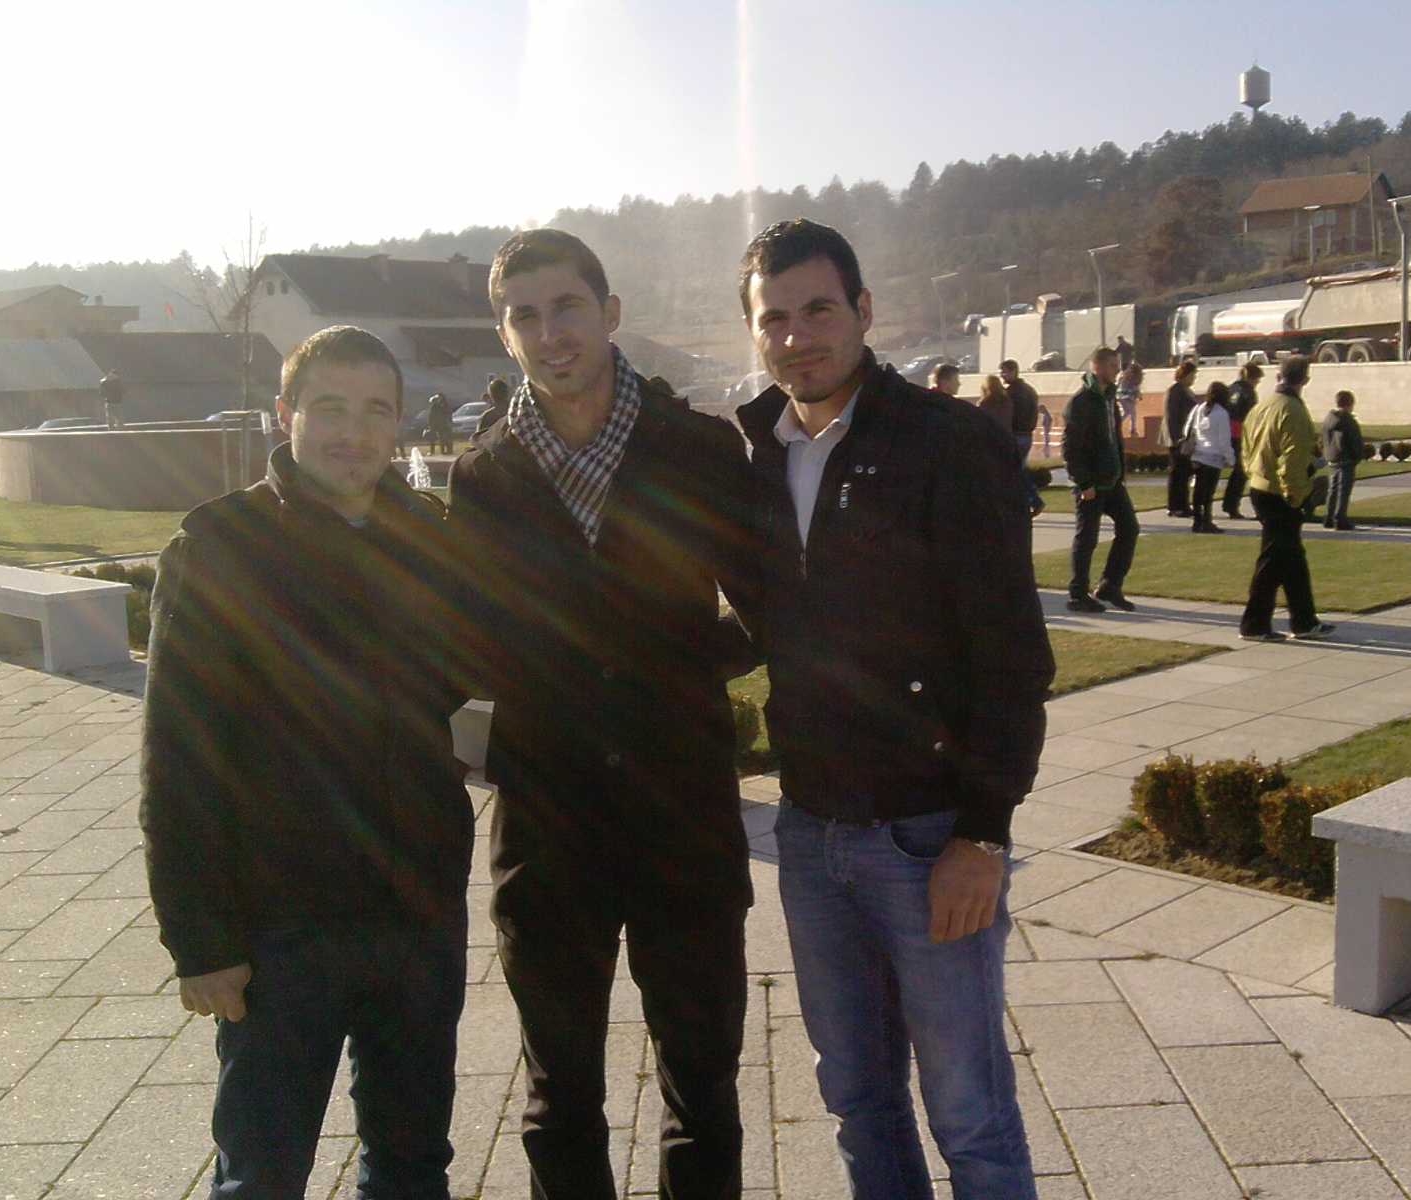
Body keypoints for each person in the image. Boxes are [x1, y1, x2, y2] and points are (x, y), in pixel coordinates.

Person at [734, 218, 1052, 1200]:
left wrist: (982, 835)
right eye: (774, 319)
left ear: (863, 310)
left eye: (817, 309)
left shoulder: (947, 443)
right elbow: (772, 619)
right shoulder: (757, 453)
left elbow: (1013, 656)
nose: (797, 337)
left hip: (927, 839)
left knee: (969, 1113)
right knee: (856, 1097)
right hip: (808, 833)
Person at [448, 229, 760, 1200]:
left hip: (684, 823)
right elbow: (472, 642)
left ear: (610, 312)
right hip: (549, 835)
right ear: (505, 336)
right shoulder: (484, 477)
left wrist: (683, 669)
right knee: (559, 1097)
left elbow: (772, 605)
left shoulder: (699, 450)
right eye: (525, 315)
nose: (550, 332)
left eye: (567, 306)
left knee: (701, 1089)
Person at [141, 326, 476, 1199]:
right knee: (262, 1173)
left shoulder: (431, 538)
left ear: (399, 424)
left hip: (417, 911)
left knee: (412, 1163)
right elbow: (176, 757)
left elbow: (450, 681)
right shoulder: (221, 546)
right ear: (284, 414)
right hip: (282, 924)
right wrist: (200, 940)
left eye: (375, 411)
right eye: (329, 407)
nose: (353, 432)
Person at [1238, 355, 1336, 642]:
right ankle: (1254, 624)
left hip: (1260, 485)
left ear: (1279, 376)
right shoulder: (1293, 411)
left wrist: (1255, 474)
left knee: (1292, 558)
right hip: (1280, 493)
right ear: (1305, 379)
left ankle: (1304, 620)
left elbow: (1246, 448)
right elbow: (1292, 462)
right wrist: (1296, 497)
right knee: (1274, 560)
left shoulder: (1262, 406)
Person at [1063, 346, 1141, 613]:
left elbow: (1114, 438)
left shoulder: (1109, 399)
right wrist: (1084, 483)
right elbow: (1070, 448)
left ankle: (1110, 585)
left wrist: (1120, 470)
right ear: (1098, 368)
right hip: (1091, 483)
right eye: (1112, 366)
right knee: (1087, 537)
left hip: (1112, 480)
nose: (1117, 371)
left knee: (1129, 528)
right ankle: (1078, 594)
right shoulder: (1081, 402)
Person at [1184, 381, 1234, 533]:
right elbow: (1224, 440)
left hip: (1198, 454)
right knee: (1208, 492)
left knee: (1198, 491)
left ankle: (1197, 521)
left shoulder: (1198, 409)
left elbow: (1187, 429)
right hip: (1214, 456)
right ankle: (1206, 521)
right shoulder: (1221, 413)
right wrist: (1230, 458)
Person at [1000, 359, 1045, 516]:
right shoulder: (1029, 390)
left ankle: (1033, 500)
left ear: (1014, 371)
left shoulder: (1011, 393)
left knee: (1015, 470)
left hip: (1017, 434)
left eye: (1005, 372)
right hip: (1027, 434)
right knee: (1018, 469)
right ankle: (1025, 500)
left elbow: (1009, 415)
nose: (1002, 375)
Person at [1222, 362, 1263, 519]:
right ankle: (1232, 505)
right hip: (1242, 435)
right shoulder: (1248, 392)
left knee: (1237, 471)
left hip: (1229, 433)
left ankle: (1229, 504)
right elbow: (1252, 416)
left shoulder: (1232, 389)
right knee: (1242, 472)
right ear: (1252, 378)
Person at [1320, 390, 1363, 530]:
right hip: (1346, 458)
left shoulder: (1328, 420)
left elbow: (1322, 440)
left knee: (1333, 489)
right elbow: (1355, 441)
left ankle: (1329, 517)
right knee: (1343, 491)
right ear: (1351, 404)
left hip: (1332, 457)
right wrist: (1357, 456)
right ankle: (1340, 519)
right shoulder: (1348, 421)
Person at [1162, 360, 1199, 518]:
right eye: (1192, 375)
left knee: (1185, 472)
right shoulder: (1175, 391)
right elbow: (1171, 416)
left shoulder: (1187, 391)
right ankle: (1174, 506)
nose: (1194, 378)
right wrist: (1177, 438)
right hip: (1177, 439)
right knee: (1178, 472)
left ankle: (1183, 504)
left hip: (1186, 437)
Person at [1115, 361, 1143, 439]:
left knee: (1127, 413)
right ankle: (1132, 429)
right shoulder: (1132, 379)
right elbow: (1135, 390)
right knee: (1132, 413)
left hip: (1121, 397)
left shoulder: (1123, 377)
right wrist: (1138, 396)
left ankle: (1117, 424)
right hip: (1127, 397)